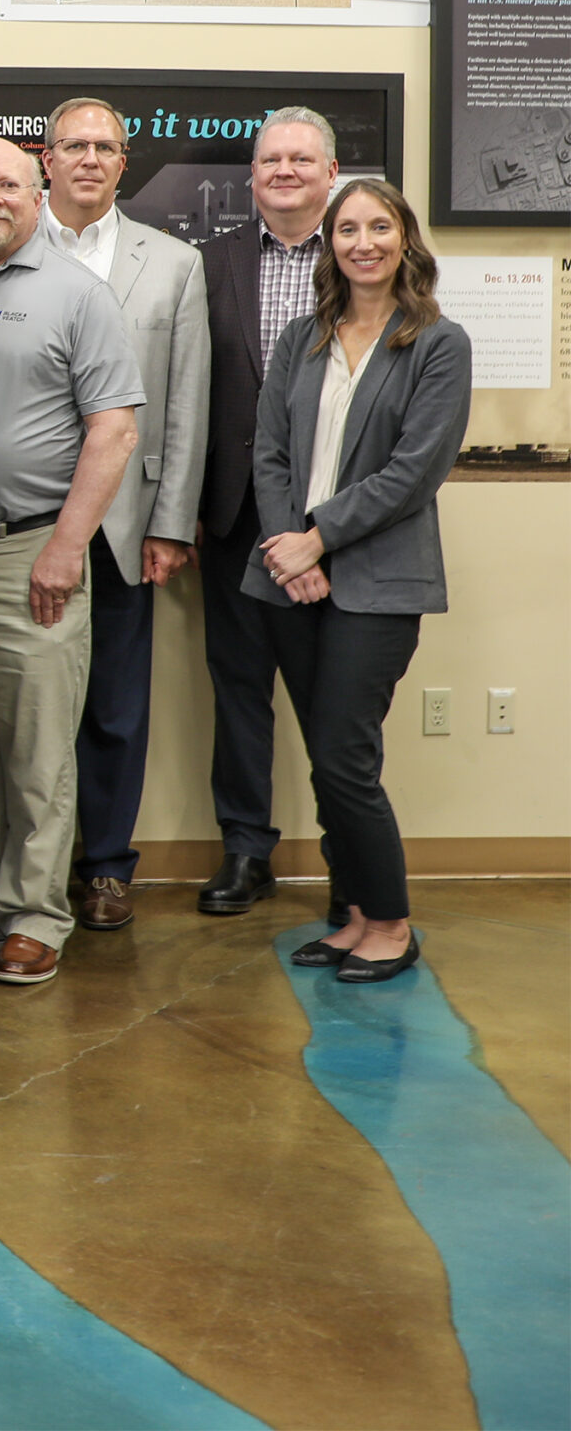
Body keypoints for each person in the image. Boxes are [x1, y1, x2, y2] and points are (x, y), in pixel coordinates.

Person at [247, 180, 469, 984]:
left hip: (377, 580)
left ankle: (391, 923)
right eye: (348, 229)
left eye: (380, 227)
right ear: (330, 243)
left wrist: (319, 540)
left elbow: (414, 472)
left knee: (345, 756)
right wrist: (290, 550)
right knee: (325, 757)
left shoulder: (438, 344)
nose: (363, 242)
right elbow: (270, 451)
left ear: (405, 239)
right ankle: (353, 918)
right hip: (291, 577)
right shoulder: (301, 338)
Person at [0, 140, 143, 987]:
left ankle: (35, 915)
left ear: (36, 192)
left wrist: (65, 546)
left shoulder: (78, 294)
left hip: (28, 553)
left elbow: (114, 430)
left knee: (37, 750)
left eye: (7, 184)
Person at [39, 100, 211, 930]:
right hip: (23, 519)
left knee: (113, 705)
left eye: (104, 147)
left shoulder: (173, 264)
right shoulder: (3, 248)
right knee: (23, 705)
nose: (89, 159)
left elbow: (187, 401)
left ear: (123, 161)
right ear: (46, 158)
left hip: (125, 523)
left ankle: (106, 866)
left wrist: (171, 522)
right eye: (73, 145)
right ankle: (27, 870)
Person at [196, 107, 339, 915]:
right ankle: (246, 849)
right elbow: (188, 393)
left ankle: (351, 858)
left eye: (300, 159)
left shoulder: (361, 258)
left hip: (332, 524)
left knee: (333, 701)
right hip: (236, 520)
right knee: (239, 691)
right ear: (251, 175)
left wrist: (326, 529)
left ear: (331, 172)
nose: (283, 171)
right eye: (270, 159)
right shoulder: (210, 262)